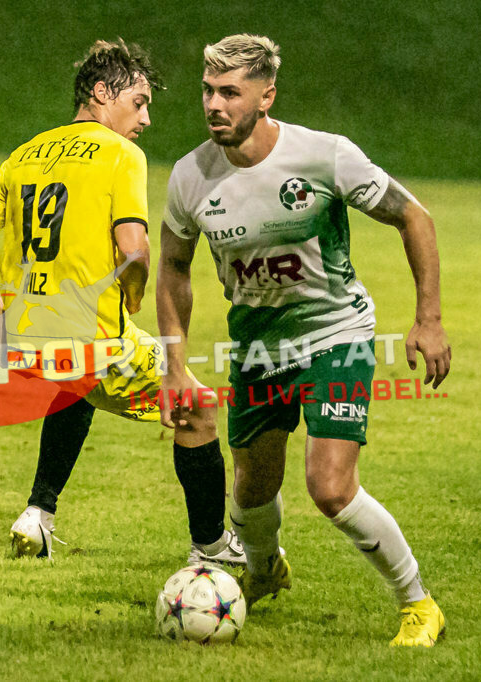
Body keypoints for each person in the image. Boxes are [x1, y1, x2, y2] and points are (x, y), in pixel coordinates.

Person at [156, 34, 450, 647]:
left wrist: (428, 318)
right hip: (259, 348)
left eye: (229, 92)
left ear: (266, 96)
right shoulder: (190, 176)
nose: (214, 104)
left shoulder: (324, 157)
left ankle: (418, 603)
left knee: (330, 486)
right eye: (208, 90)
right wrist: (175, 364)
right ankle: (265, 570)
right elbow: (174, 269)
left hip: (335, 333)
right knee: (252, 491)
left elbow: (412, 216)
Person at [0, 39, 244, 566]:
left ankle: (38, 514)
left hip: (25, 341)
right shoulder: (120, 155)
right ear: (102, 93)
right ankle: (215, 549)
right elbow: (135, 250)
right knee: (197, 407)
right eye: (139, 102)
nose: (147, 118)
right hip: (92, 340)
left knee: (76, 386)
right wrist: (130, 297)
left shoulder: (25, 153)